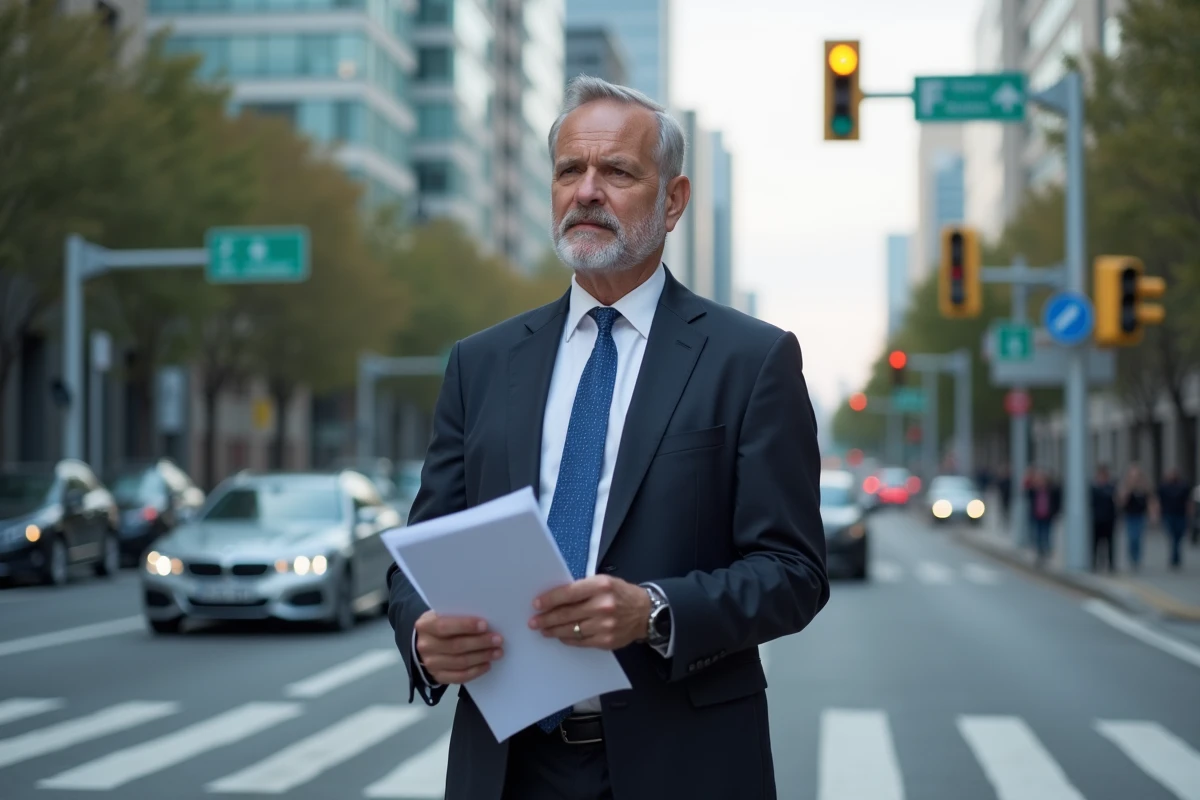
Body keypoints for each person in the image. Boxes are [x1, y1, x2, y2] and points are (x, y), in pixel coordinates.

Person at [385, 76, 830, 800]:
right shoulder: (481, 363)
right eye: (570, 170)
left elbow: (794, 572)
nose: (587, 191)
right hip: (506, 769)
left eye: (617, 172)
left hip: (685, 765)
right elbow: (423, 550)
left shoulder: (751, 360)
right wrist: (421, 635)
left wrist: (652, 611)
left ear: (673, 201)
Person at [1157, 467, 1192, 569]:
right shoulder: (1163, 487)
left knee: (1179, 537)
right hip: (1168, 514)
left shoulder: (1183, 486)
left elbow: (1188, 501)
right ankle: (1174, 558)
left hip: (1181, 514)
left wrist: (1190, 513)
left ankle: (1175, 557)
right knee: (1172, 536)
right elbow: (1159, 501)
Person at [1118, 464, 1152, 571]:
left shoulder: (1144, 487)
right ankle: (1132, 557)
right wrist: (1129, 488)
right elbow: (1121, 502)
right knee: (1132, 537)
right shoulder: (1126, 487)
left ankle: (1137, 558)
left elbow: (1150, 500)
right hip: (1130, 516)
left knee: (1138, 538)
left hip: (1140, 516)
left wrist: (1152, 514)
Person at [1091, 465, 1117, 573]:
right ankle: (1094, 563)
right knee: (1095, 543)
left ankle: (1111, 564)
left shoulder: (1111, 488)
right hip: (1096, 520)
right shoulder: (1094, 489)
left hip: (1109, 520)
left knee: (1110, 543)